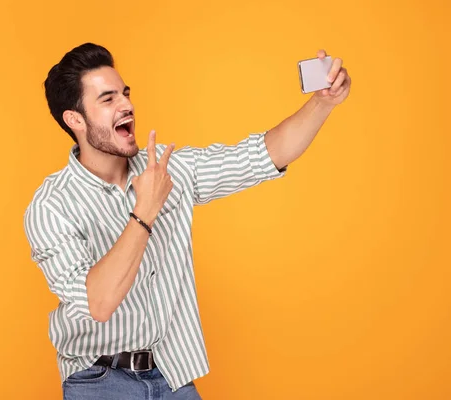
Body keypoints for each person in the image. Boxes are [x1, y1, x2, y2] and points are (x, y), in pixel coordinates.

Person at [23, 42, 351, 399]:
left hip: (172, 374)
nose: (127, 105)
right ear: (75, 120)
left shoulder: (169, 169)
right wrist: (144, 211)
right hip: (98, 381)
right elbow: (97, 304)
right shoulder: (51, 206)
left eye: (125, 93)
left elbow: (264, 155)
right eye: (108, 99)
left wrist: (323, 102)